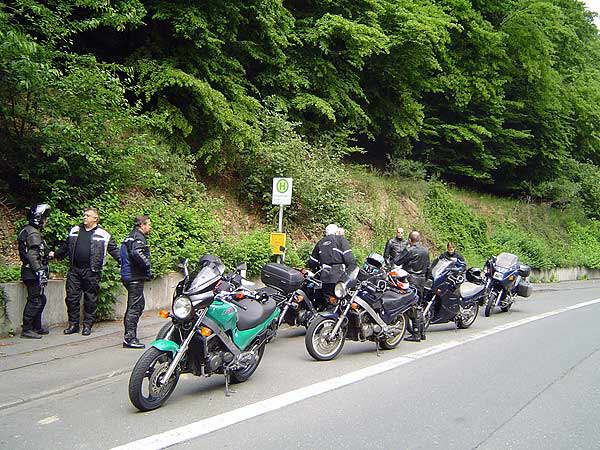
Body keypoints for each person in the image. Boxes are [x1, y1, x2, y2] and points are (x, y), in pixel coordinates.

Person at [53, 207, 120, 335]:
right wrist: (55, 254)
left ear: (95, 219)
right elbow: (66, 246)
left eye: (88, 215)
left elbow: (114, 250)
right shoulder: (75, 230)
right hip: (74, 270)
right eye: (84, 215)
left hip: (92, 271)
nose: (85, 217)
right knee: (71, 298)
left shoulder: (103, 234)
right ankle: (73, 325)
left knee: (90, 299)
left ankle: (87, 325)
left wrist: (124, 262)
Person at [17, 204, 52, 339]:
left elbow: (38, 251)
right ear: (38, 218)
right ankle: (26, 329)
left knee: (41, 298)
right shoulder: (33, 233)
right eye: (44, 218)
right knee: (35, 300)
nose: (46, 221)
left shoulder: (28, 230)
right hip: (31, 272)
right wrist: (39, 271)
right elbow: (32, 255)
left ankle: (36, 326)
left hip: (30, 271)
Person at [120, 215, 152, 349]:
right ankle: (129, 338)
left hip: (130, 275)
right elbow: (137, 253)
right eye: (148, 224)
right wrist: (147, 266)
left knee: (138, 305)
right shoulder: (138, 237)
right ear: (142, 225)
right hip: (134, 276)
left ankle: (130, 335)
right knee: (134, 307)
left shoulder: (130, 236)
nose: (150, 227)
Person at [394, 231, 430, 342]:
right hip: (421, 280)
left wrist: (405, 249)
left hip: (411, 280)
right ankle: (422, 332)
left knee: (412, 306)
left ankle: (416, 333)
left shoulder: (410, 250)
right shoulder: (425, 250)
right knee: (418, 306)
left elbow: (397, 260)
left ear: (409, 240)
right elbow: (428, 267)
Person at [307, 224, 357, 299]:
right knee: (341, 301)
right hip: (339, 277)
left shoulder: (320, 242)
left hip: (324, 278)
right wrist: (352, 270)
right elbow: (350, 260)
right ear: (336, 232)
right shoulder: (341, 240)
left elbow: (312, 262)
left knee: (327, 300)